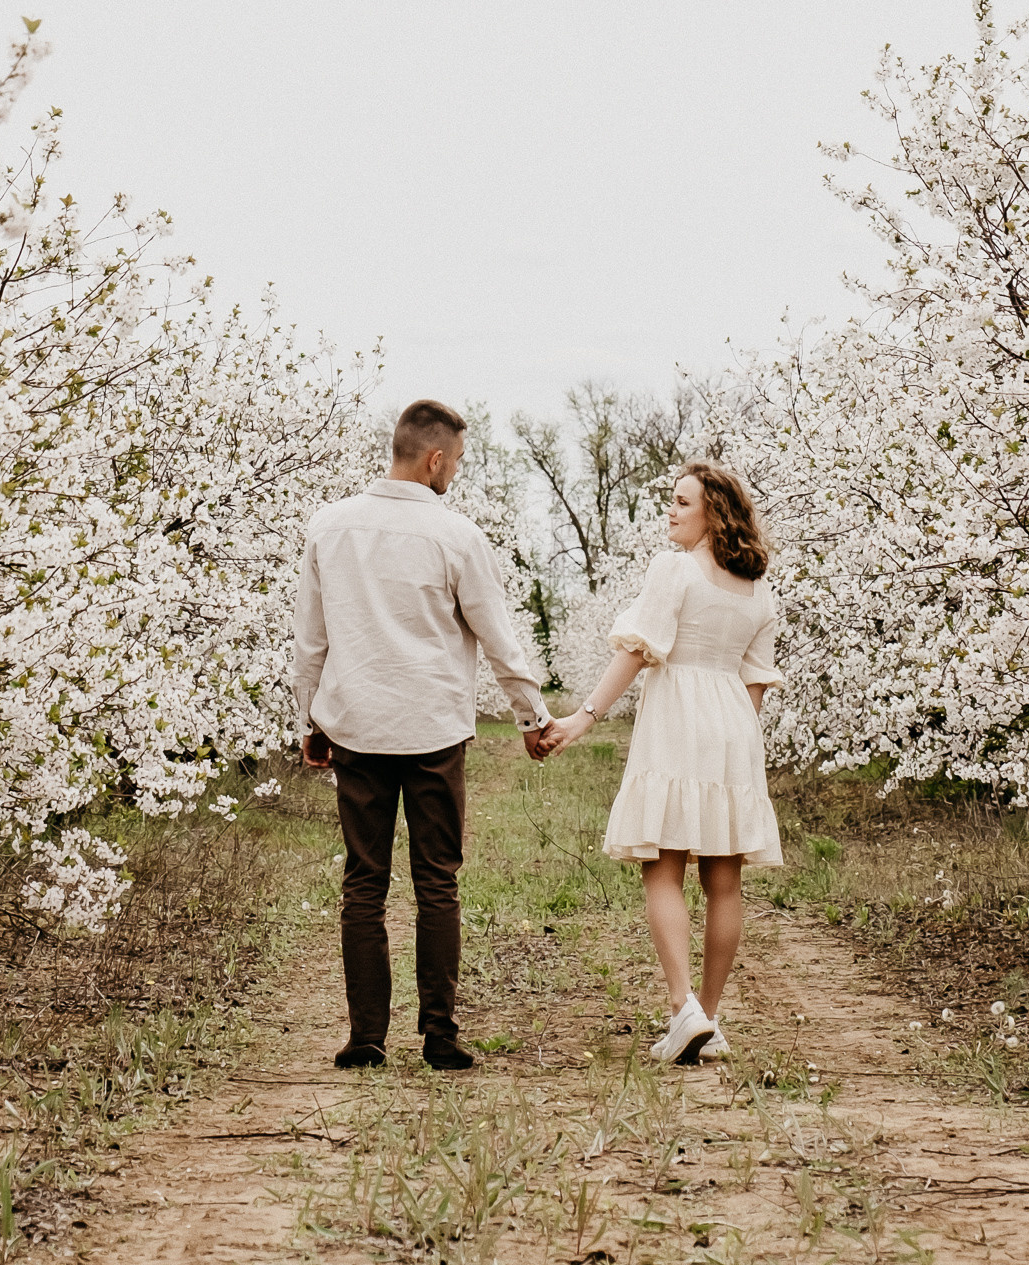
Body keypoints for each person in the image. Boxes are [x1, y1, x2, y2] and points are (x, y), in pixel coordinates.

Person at [294, 398, 553, 1071]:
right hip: (432, 729)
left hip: (356, 725)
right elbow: (497, 636)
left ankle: (366, 1038)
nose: (455, 476)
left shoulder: (328, 527)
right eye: (457, 462)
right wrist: (531, 716)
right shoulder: (457, 536)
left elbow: (310, 641)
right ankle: (440, 1035)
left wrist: (309, 720)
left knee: (363, 884)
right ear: (436, 458)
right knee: (437, 883)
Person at [538, 462, 780, 1064]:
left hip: (678, 720)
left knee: (662, 866)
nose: (670, 512)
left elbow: (637, 652)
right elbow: (755, 682)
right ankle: (711, 1019)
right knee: (725, 880)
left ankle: (683, 1009)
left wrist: (583, 717)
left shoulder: (674, 570)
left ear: (712, 513)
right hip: (734, 727)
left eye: (681, 503)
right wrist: (739, 744)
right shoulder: (756, 589)